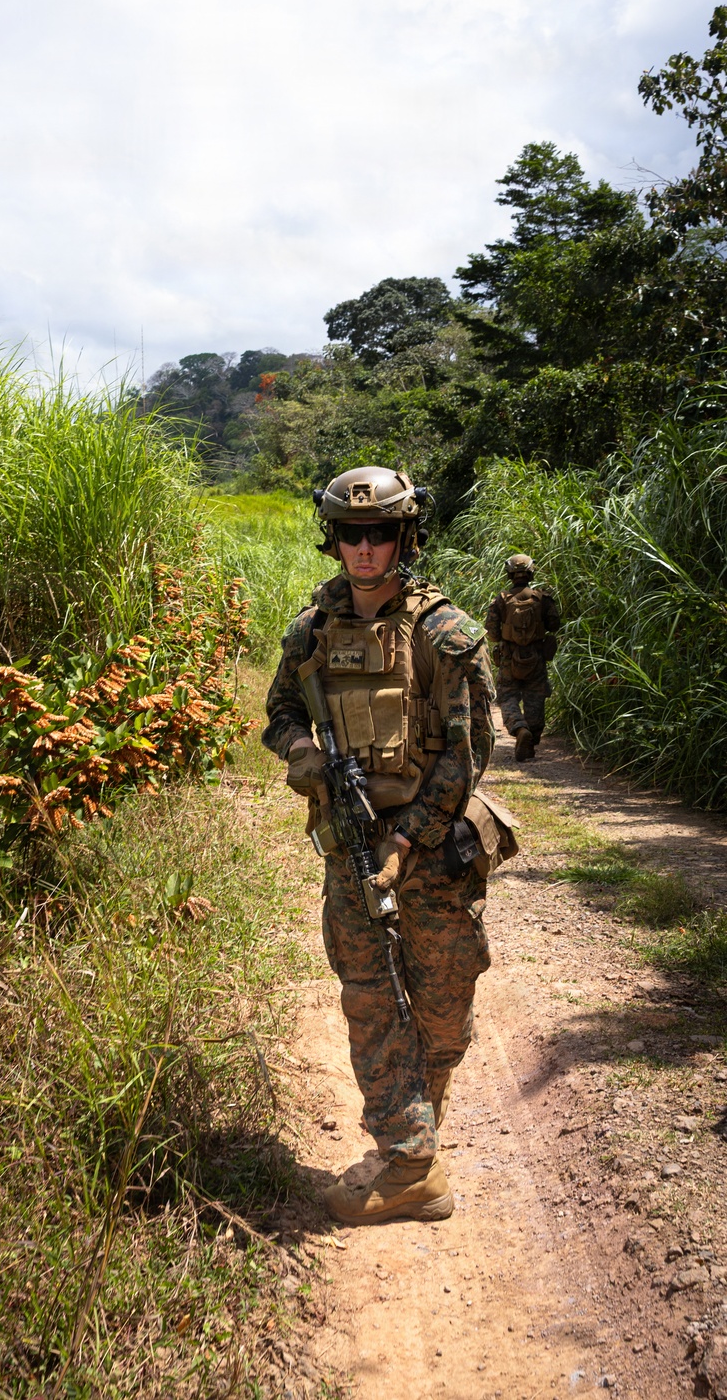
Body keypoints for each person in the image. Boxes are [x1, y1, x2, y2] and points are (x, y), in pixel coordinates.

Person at [263, 466, 497, 1224]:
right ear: (332, 538)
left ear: (406, 535)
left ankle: (415, 1139)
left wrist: (408, 839)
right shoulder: (310, 631)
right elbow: (278, 712)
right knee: (370, 1000)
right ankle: (409, 1164)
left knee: (440, 1008)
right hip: (350, 850)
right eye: (352, 534)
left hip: (430, 849)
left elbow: (468, 756)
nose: (366, 549)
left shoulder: (441, 633)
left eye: (381, 533)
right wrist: (299, 749)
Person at [484, 554, 561, 762]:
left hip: (509, 658)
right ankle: (531, 739)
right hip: (536, 657)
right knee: (535, 697)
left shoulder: (501, 599)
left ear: (509, 574)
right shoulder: (542, 598)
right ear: (530, 572)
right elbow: (555, 624)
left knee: (507, 696)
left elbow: (491, 632)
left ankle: (519, 729)